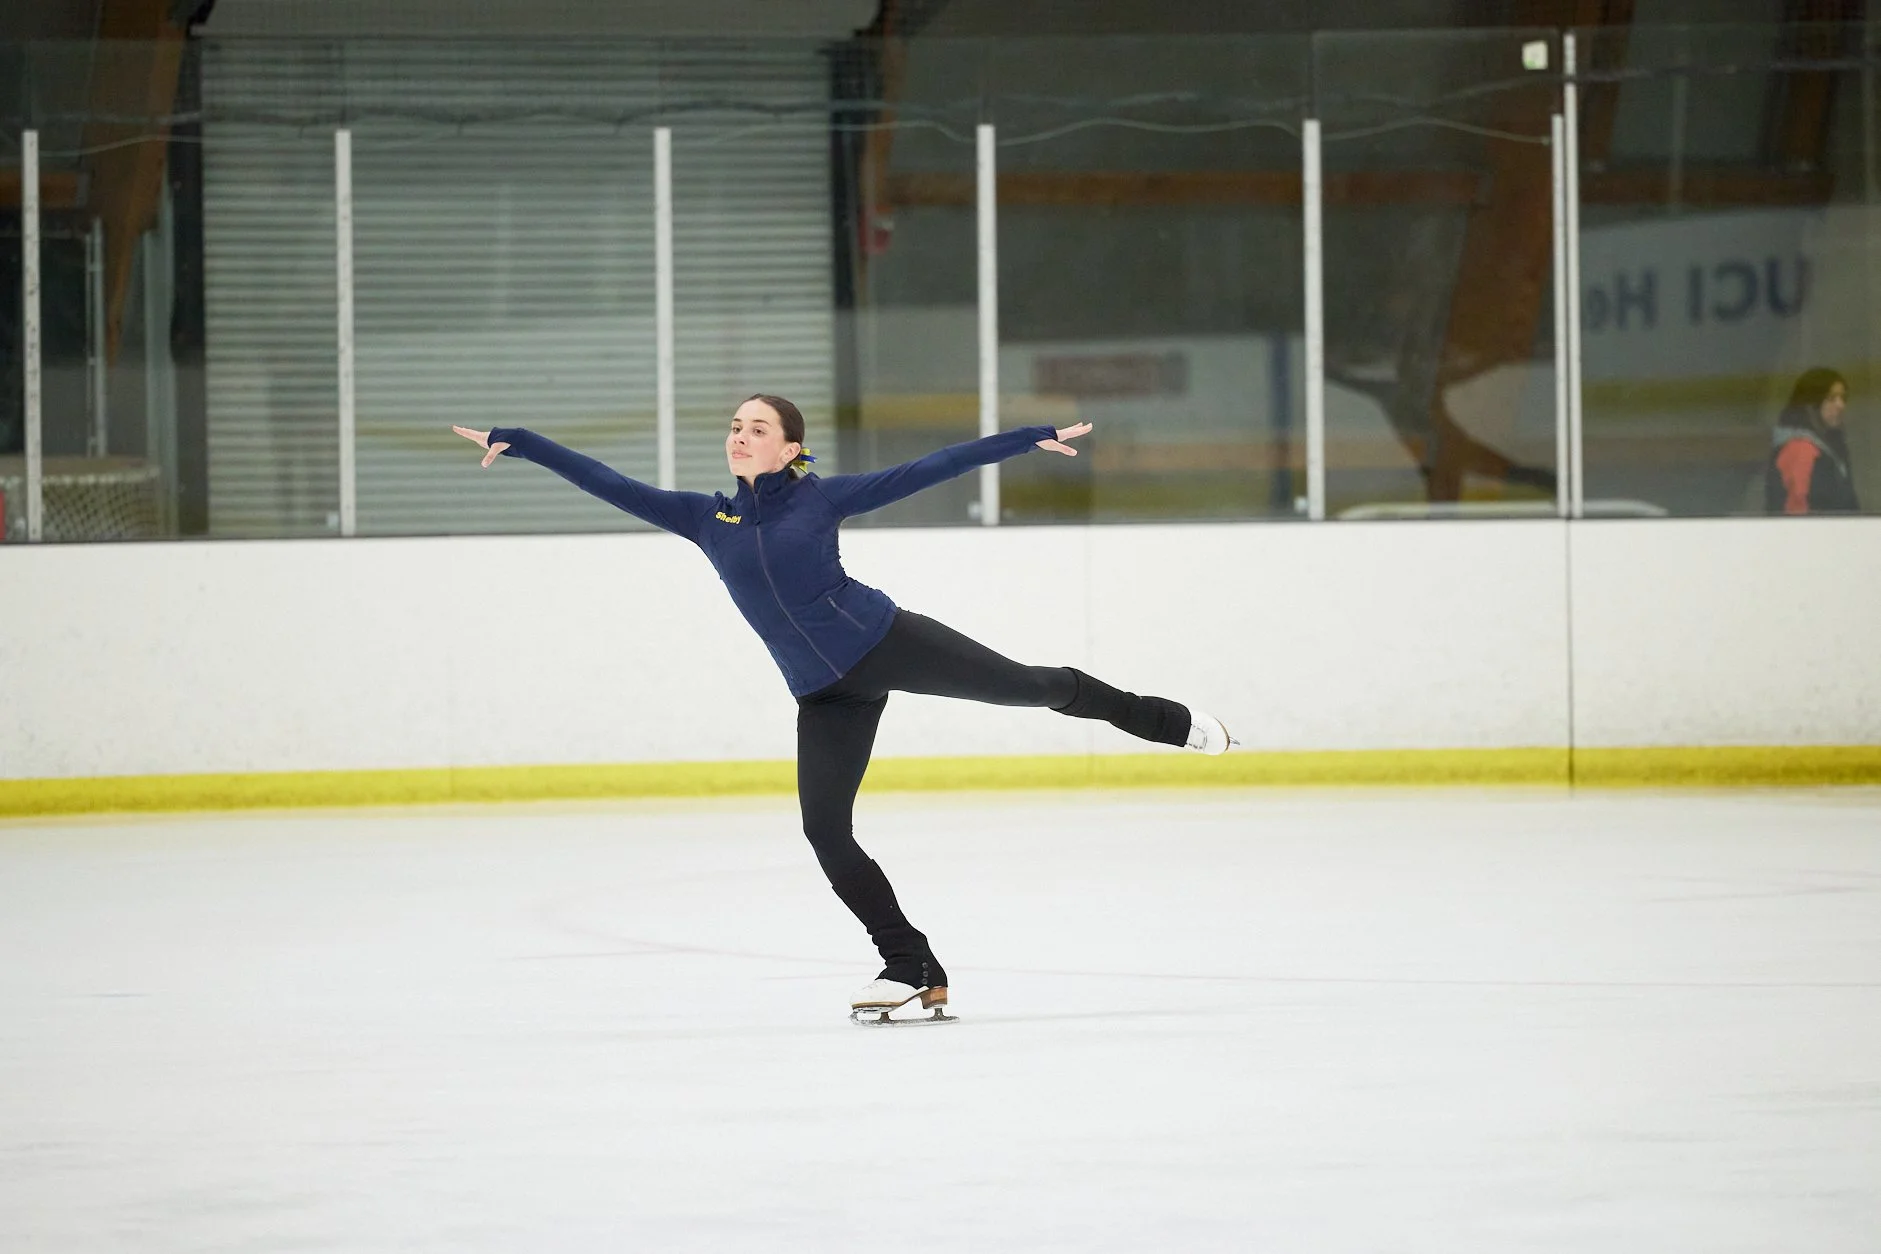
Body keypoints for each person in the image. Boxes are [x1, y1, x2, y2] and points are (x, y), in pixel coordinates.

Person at [452, 396, 1234, 1024]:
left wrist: (1023, 439)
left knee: (1032, 687)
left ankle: (1161, 721)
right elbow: (605, 480)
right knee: (824, 831)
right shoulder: (704, 518)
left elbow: (930, 467)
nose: (739, 436)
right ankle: (909, 964)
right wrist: (522, 441)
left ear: (790, 447)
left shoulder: (820, 498)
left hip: (888, 642)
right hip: (822, 694)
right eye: (734, 426)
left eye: (758, 428)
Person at [1767, 368, 1860, 515]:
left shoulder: (1830, 446)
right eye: (1831, 398)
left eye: (1843, 398)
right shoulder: (1799, 450)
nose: (1841, 405)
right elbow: (1799, 513)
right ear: (1810, 405)